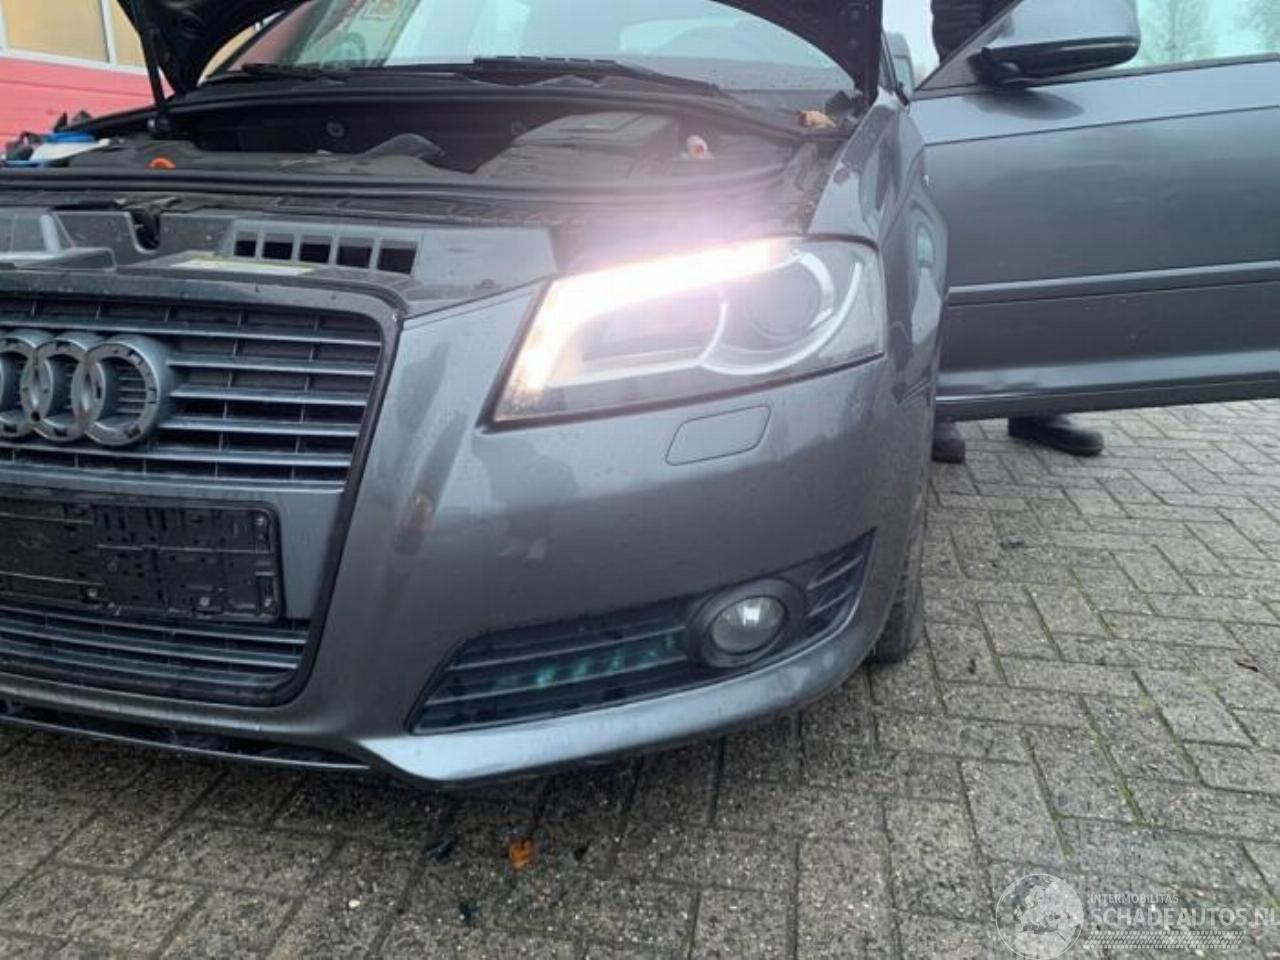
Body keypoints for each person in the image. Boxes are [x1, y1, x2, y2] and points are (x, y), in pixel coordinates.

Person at [929, 0, 1106, 464]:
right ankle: (940, 400)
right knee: (968, 256)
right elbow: (956, 22)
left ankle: (1037, 403)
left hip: (1062, 107)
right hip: (982, 100)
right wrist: (983, 74)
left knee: (1047, 258)